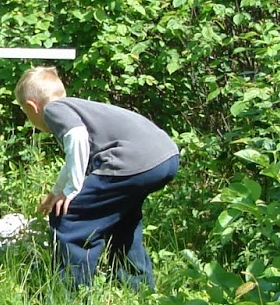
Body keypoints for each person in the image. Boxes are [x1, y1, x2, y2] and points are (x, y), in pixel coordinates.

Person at [14, 66, 179, 289]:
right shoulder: (76, 107)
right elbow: (75, 159)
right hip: (164, 157)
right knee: (122, 218)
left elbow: (77, 137)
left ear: (32, 106)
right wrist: (56, 191)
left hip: (131, 162)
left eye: (25, 113)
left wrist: (72, 191)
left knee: (70, 215)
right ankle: (137, 287)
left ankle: (72, 293)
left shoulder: (53, 109)